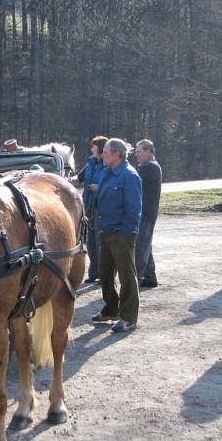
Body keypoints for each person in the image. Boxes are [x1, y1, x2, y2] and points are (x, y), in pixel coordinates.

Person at [91, 138, 142, 333]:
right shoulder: (107, 173)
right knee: (104, 274)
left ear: (117, 154)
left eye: (105, 152)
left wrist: (126, 233)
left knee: (126, 276)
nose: (102, 155)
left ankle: (129, 317)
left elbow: (134, 209)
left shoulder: (129, 176)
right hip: (105, 232)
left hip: (121, 235)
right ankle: (111, 309)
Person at [133, 139, 162, 288]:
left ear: (149, 151)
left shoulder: (149, 167)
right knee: (145, 246)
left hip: (145, 214)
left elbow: (133, 183)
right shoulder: (146, 166)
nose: (136, 155)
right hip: (146, 214)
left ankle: (135, 279)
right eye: (136, 152)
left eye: (139, 152)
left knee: (140, 247)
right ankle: (150, 277)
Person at [81, 135, 108, 283]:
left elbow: (108, 182)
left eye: (94, 146)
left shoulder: (107, 164)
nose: (92, 149)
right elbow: (82, 177)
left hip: (100, 205)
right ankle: (93, 272)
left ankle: (104, 273)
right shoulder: (91, 162)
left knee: (100, 241)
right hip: (89, 204)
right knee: (90, 240)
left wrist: (98, 188)